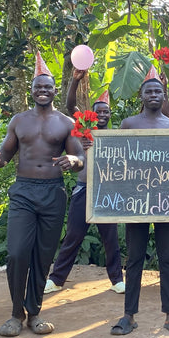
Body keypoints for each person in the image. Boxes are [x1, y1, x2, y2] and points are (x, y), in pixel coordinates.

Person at [0, 52, 85, 337]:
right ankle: (16, 312)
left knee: (42, 255)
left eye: (47, 87)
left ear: (54, 90)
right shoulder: (19, 120)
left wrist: (73, 162)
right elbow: (5, 155)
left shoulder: (66, 123)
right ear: (32, 90)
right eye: (38, 87)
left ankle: (34, 312)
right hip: (24, 192)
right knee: (16, 252)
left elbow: (79, 158)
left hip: (53, 192)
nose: (42, 91)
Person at [110, 66, 169, 335]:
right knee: (134, 259)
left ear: (164, 95)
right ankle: (128, 315)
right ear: (141, 96)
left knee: (167, 258)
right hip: (136, 202)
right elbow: (118, 160)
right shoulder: (129, 124)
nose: (154, 94)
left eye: (158, 91)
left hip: (167, 202)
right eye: (149, 91)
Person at [44, 69, 125, 295]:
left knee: (110, 238)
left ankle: (117, 279)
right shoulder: (84, 131)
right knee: (73, 235)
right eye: (98, 111)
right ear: (92, 113)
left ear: (110, 114)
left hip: (107, 192)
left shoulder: (118, 137)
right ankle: (57, 279)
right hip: (84, 189)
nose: (101, 114)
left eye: (105, 111)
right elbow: (71, 107)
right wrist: (75, 80)